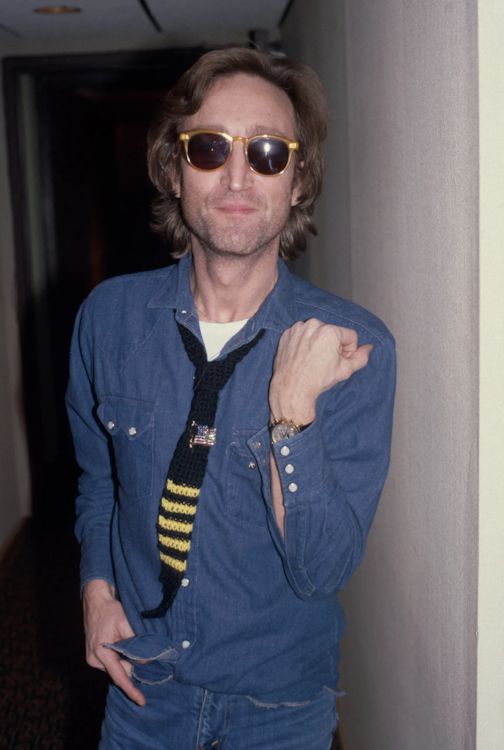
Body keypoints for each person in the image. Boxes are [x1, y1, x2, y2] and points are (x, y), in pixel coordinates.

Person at [66, 46, 395, 750]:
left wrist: (292, 416)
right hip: (143, 688)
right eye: (210, 147)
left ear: (298, 181)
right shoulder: (107, 320)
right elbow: (98, 482)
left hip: (280, 706)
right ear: (174, 169)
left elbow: (322, 571)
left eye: (269, 152)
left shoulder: (354, 347)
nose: (238, 174)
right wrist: (96, 590)